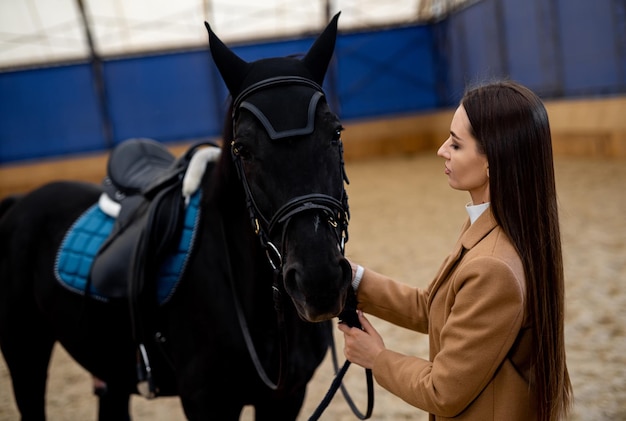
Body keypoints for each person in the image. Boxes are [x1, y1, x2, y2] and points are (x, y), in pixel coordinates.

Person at [339, 80, 573, 420]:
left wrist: (377, 358)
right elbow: (435, 307)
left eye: (456, 144)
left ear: (493, 160)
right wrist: (354, 279)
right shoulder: (492, 226)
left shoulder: (494, 266)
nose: (442, 150)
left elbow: (443, 391)